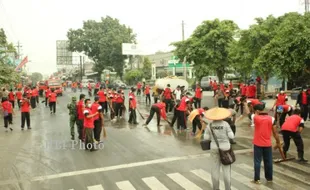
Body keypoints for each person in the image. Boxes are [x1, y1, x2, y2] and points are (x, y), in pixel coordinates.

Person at [244, 103, 281, 184]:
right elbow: (275, 133)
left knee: (257, 161)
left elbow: (248, 113)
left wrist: (245, 104)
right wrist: (278, 142)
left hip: (257, 144)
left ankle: (257, 179)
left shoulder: (255, 117)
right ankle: (269, 178)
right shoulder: (271, 119)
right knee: (268, 161)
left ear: (257, 111)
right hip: (268, 144)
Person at [203, 107, 234, 190]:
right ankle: (228, 188)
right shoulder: (225, 124)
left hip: (214, 148)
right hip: (225, 149)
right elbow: (231, 136)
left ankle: (216, 188)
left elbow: (206, 138)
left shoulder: (209, 125)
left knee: (214, 170)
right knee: (226, 170)